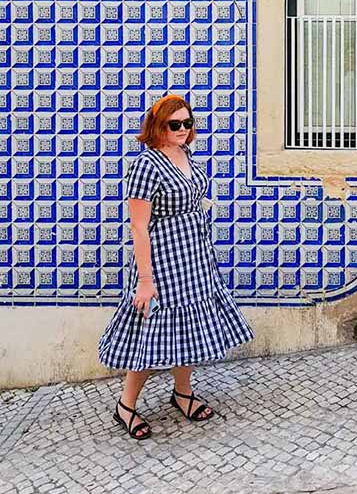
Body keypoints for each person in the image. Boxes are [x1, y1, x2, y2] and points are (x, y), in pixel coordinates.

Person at [98, 94, 254, 440]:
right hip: (163, 261)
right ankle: (126, 406)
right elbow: (139, 226)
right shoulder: (146, 166)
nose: (184, 129)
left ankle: (182, 393)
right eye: (175, 124)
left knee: (187, 330)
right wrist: (145, 280)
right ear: (158, 126)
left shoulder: (185, 154)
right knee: (151, 335)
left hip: (194, 257)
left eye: (188, 123)